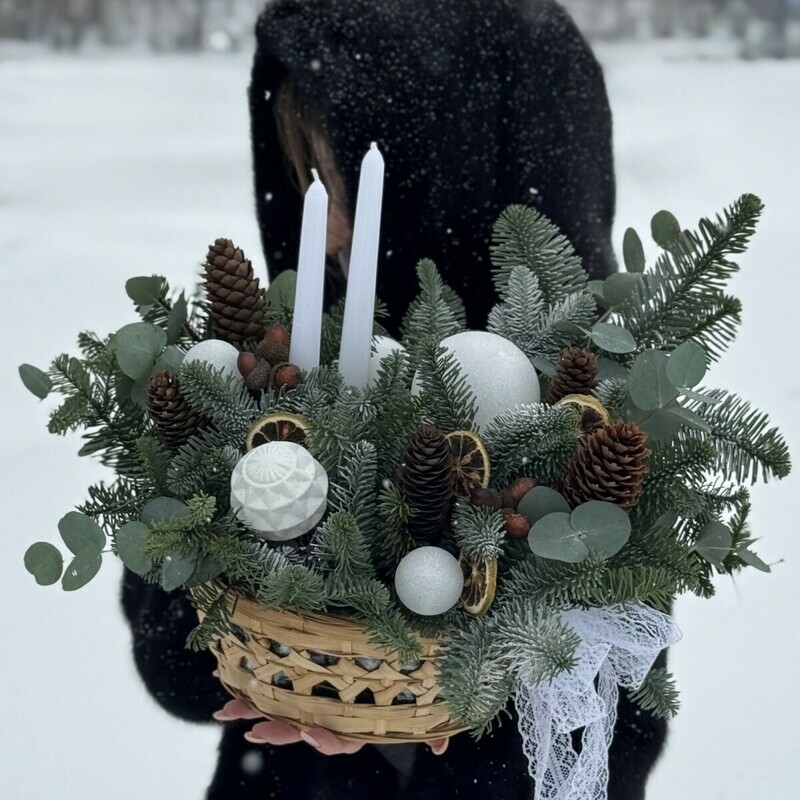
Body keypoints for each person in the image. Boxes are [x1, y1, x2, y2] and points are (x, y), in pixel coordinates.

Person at [123, 2, 667, 797]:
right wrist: (261, 665)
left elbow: (610, 721)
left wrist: (437, 715)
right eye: (304, 183)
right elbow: (167, 651)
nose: (332, 234)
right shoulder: (272, 383)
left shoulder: (588, 437)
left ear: (452, 173)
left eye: (337, 180)